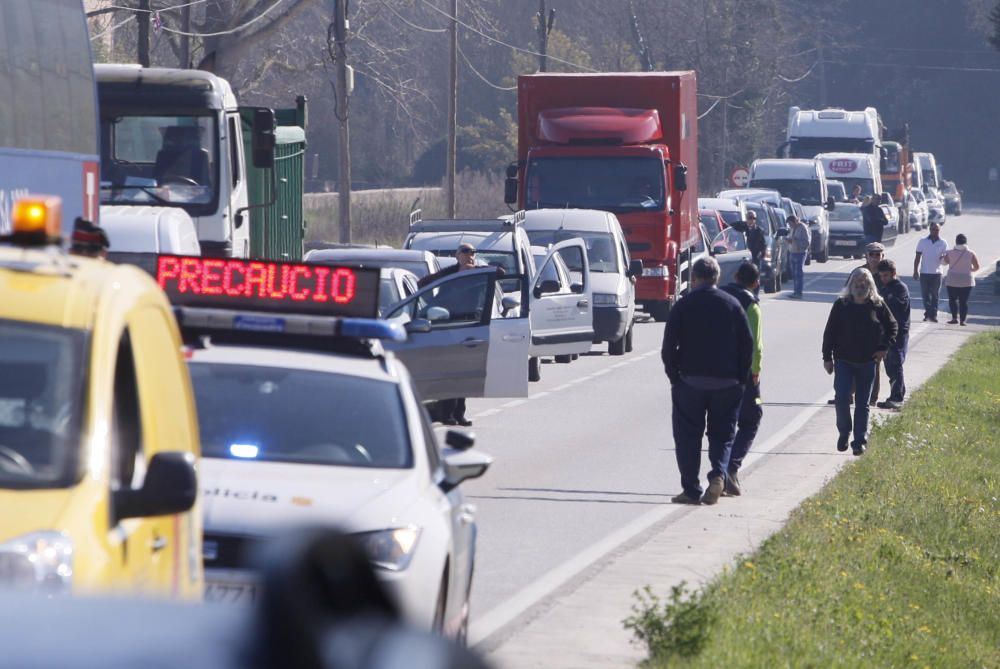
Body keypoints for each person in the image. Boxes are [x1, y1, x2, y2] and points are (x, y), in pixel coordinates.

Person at [662, 256, 753, 505]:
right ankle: (718, 475)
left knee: (687, 437)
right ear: (717, 278)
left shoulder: (684, 305)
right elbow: (748, 346)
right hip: (727, 383)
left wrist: (675, 377)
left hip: (690, 382)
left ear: (694, 278)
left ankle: (691, 488)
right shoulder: (733, 304)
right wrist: (740, 379)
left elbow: (669, 345)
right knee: (723, 435)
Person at [822, 268, 898, 455]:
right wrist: (827, 358)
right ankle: (844, 431)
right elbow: (829, 332)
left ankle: (859, 441)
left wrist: (883, 348)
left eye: (864, 281)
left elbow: (892, 326)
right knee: (841, 399)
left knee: (863, 404)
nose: (860, 284)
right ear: (851, 284)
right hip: (843, 361)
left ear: (870, 284)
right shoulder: (841, 305)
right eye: (856, 281)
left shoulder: (878, 305)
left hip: (867, 362)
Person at [420, 242, 480, 426]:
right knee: (449, 370)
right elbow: (423, 283)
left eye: (472, 252)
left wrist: (474, 269)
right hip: (447, 323)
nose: (469, 255)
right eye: (465, 252)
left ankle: (459, 414)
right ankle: (446, 414)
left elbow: (500, 272)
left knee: (464, 372)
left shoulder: (477, 273)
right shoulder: (450, 273)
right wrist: (434, 304)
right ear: (457, 255)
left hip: (469, 325)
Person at [720, 262, 763, 496]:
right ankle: (730, 467)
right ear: (756, 283)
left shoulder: (720, 296)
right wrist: (755, 373)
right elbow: (755, 346)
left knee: (724, 423)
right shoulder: (751, 305)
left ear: (735, 276)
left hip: (715, 368)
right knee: (752, 418)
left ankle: (719, 470)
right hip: (743, 373)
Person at [876, 259, 910, 410]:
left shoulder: (900, 288)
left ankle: (897, 397)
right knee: (889, 366)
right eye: (881, 276)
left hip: (898, 332)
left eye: (886, 276)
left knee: (895, 364)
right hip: (885, 332)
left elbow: (897, 307)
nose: (883, 279)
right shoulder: (883, 288)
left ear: (893, 274)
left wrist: (885, 300)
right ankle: (895, 394)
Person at [941, 233, 981, 326]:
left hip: (952, 280)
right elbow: (977, 267)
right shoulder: (971, 253)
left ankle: (954, 318)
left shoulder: (950, 252)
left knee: (952, 300)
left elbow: (944, 263)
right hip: (966, 281)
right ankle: (963, 320)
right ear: (966, 242)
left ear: (956, 242)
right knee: (963, 301)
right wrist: (969, 270)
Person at [913, 222, 948, 322]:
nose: (935, 232)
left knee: (935, 295)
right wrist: (915, 271)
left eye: (937, 230)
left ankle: (933, 315)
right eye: (933, 229)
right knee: (925, 295)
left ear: (939, 230)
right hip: (924, 272)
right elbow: (917, 257)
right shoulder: (922, 241)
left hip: (937, 273)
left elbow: (946, 258)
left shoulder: (943, 242)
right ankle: (928, 312)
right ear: (930, 230)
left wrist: (944, 260)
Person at [784, 215, 810, 298]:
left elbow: (806, 243)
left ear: (795, 221)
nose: (790, 225)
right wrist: (788, 239)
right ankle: (795, 292)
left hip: (800, 253)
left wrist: (795, 241)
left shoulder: (803, 228)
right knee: (794, 274)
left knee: (798, 273)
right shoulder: (792, 228)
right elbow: (791, 237)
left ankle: (799, 293)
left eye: (790, 223)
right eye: (789, 224)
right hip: (792, 252)